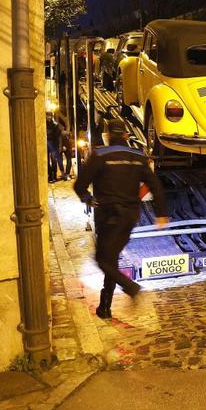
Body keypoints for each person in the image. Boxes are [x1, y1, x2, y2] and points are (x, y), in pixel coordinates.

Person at [73, 119, 168, 319]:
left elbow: (79, 185)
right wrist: (161, 213)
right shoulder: (138, 156)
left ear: (107, 136)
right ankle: (104, 307)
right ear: (126, 135)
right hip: (130, 216)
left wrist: (88, 199)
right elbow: (155, 185)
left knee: (102, 260)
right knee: (112, 259)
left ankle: (131, 287)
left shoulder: (99, 155)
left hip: (108, 216)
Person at [46, 113, 65, 182]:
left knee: (54, 160)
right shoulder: (44, 124)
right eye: (47, 116)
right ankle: (50, 174)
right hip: (47, 144)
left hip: (53, 144)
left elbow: (58, 135)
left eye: (49, 116)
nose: (48, 117)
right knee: (47, 161)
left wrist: (59, 146)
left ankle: (54, 175)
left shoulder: (55, 125)